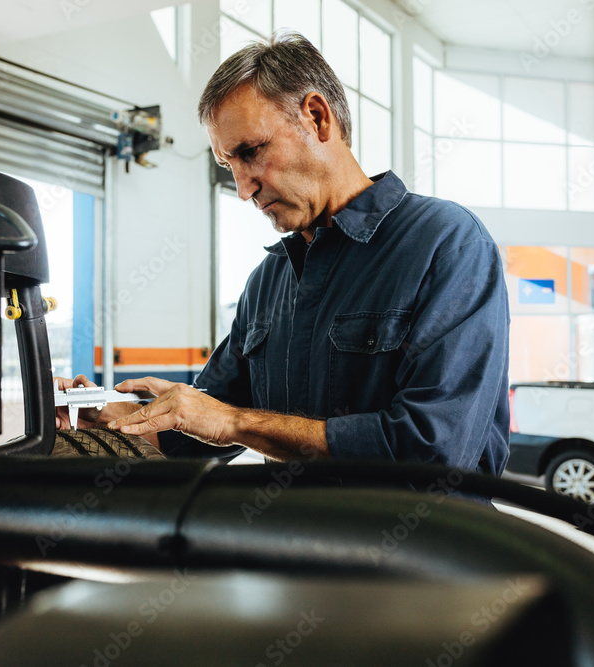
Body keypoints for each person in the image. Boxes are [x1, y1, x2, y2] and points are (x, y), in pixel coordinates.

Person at [61, 32, 511, 484]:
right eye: (228, 165)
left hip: (427, 550)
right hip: (297, 544)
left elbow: (435, 452)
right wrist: (117, 418)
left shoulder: (446, 244)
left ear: (317, 118)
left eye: (250, 152)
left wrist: (237, 423)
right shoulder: (268, 282)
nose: (242, 189)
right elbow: (193, 430)